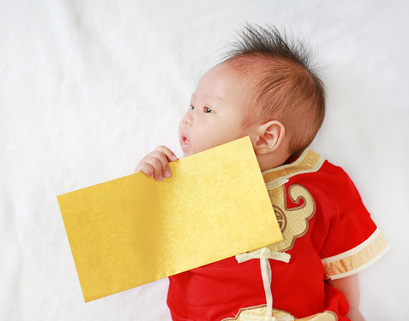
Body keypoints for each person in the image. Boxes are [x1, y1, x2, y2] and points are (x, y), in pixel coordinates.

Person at [135, 25, 389, 321]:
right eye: (191, 105)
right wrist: (147, 184)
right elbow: (140, 245)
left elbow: (341, 262)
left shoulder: (323, 183)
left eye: (207, 110)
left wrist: (354, 311)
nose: (188, 117)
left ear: (266, 138)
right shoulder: (179, 182)